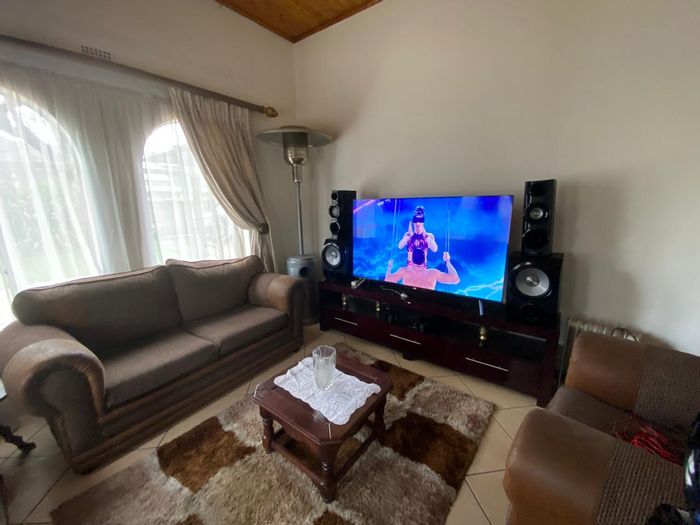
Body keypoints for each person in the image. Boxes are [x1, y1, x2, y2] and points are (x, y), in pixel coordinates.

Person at [384, 249, 460, 290]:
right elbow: (456, 280)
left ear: (411, 259)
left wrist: (389, 266)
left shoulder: (404, 271)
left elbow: (388, 279)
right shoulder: (433, 273)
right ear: (425, 259)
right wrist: (447, 261)